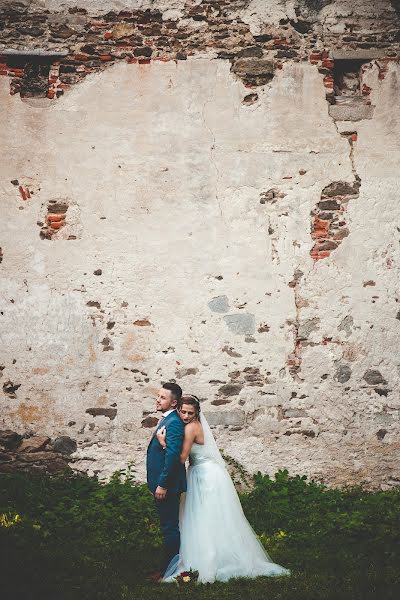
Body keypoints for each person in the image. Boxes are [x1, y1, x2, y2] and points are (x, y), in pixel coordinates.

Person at [157, 394, 290, 583]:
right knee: (211, 516)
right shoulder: (194, 425)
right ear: (178, 410)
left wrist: (163, 443)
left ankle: (209, 558)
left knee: (204, 515)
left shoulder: (191, 428)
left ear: (197, 413)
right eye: (183, 412)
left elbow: (181, 457)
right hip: (205, 472)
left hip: (204, 475)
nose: (186, 416)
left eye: (190, 413)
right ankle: (214, 554)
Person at [146, 382, 187, 578]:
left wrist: (162, 484)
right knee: (168, 525)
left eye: (162, 397)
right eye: (158, 396)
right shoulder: (167, 419)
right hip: (163, 484)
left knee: (170, 527)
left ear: (174, 403)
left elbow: (172, 457)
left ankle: (171, 572)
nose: (158, 399)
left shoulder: (174, 423)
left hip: (167, 486)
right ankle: (168, 567)